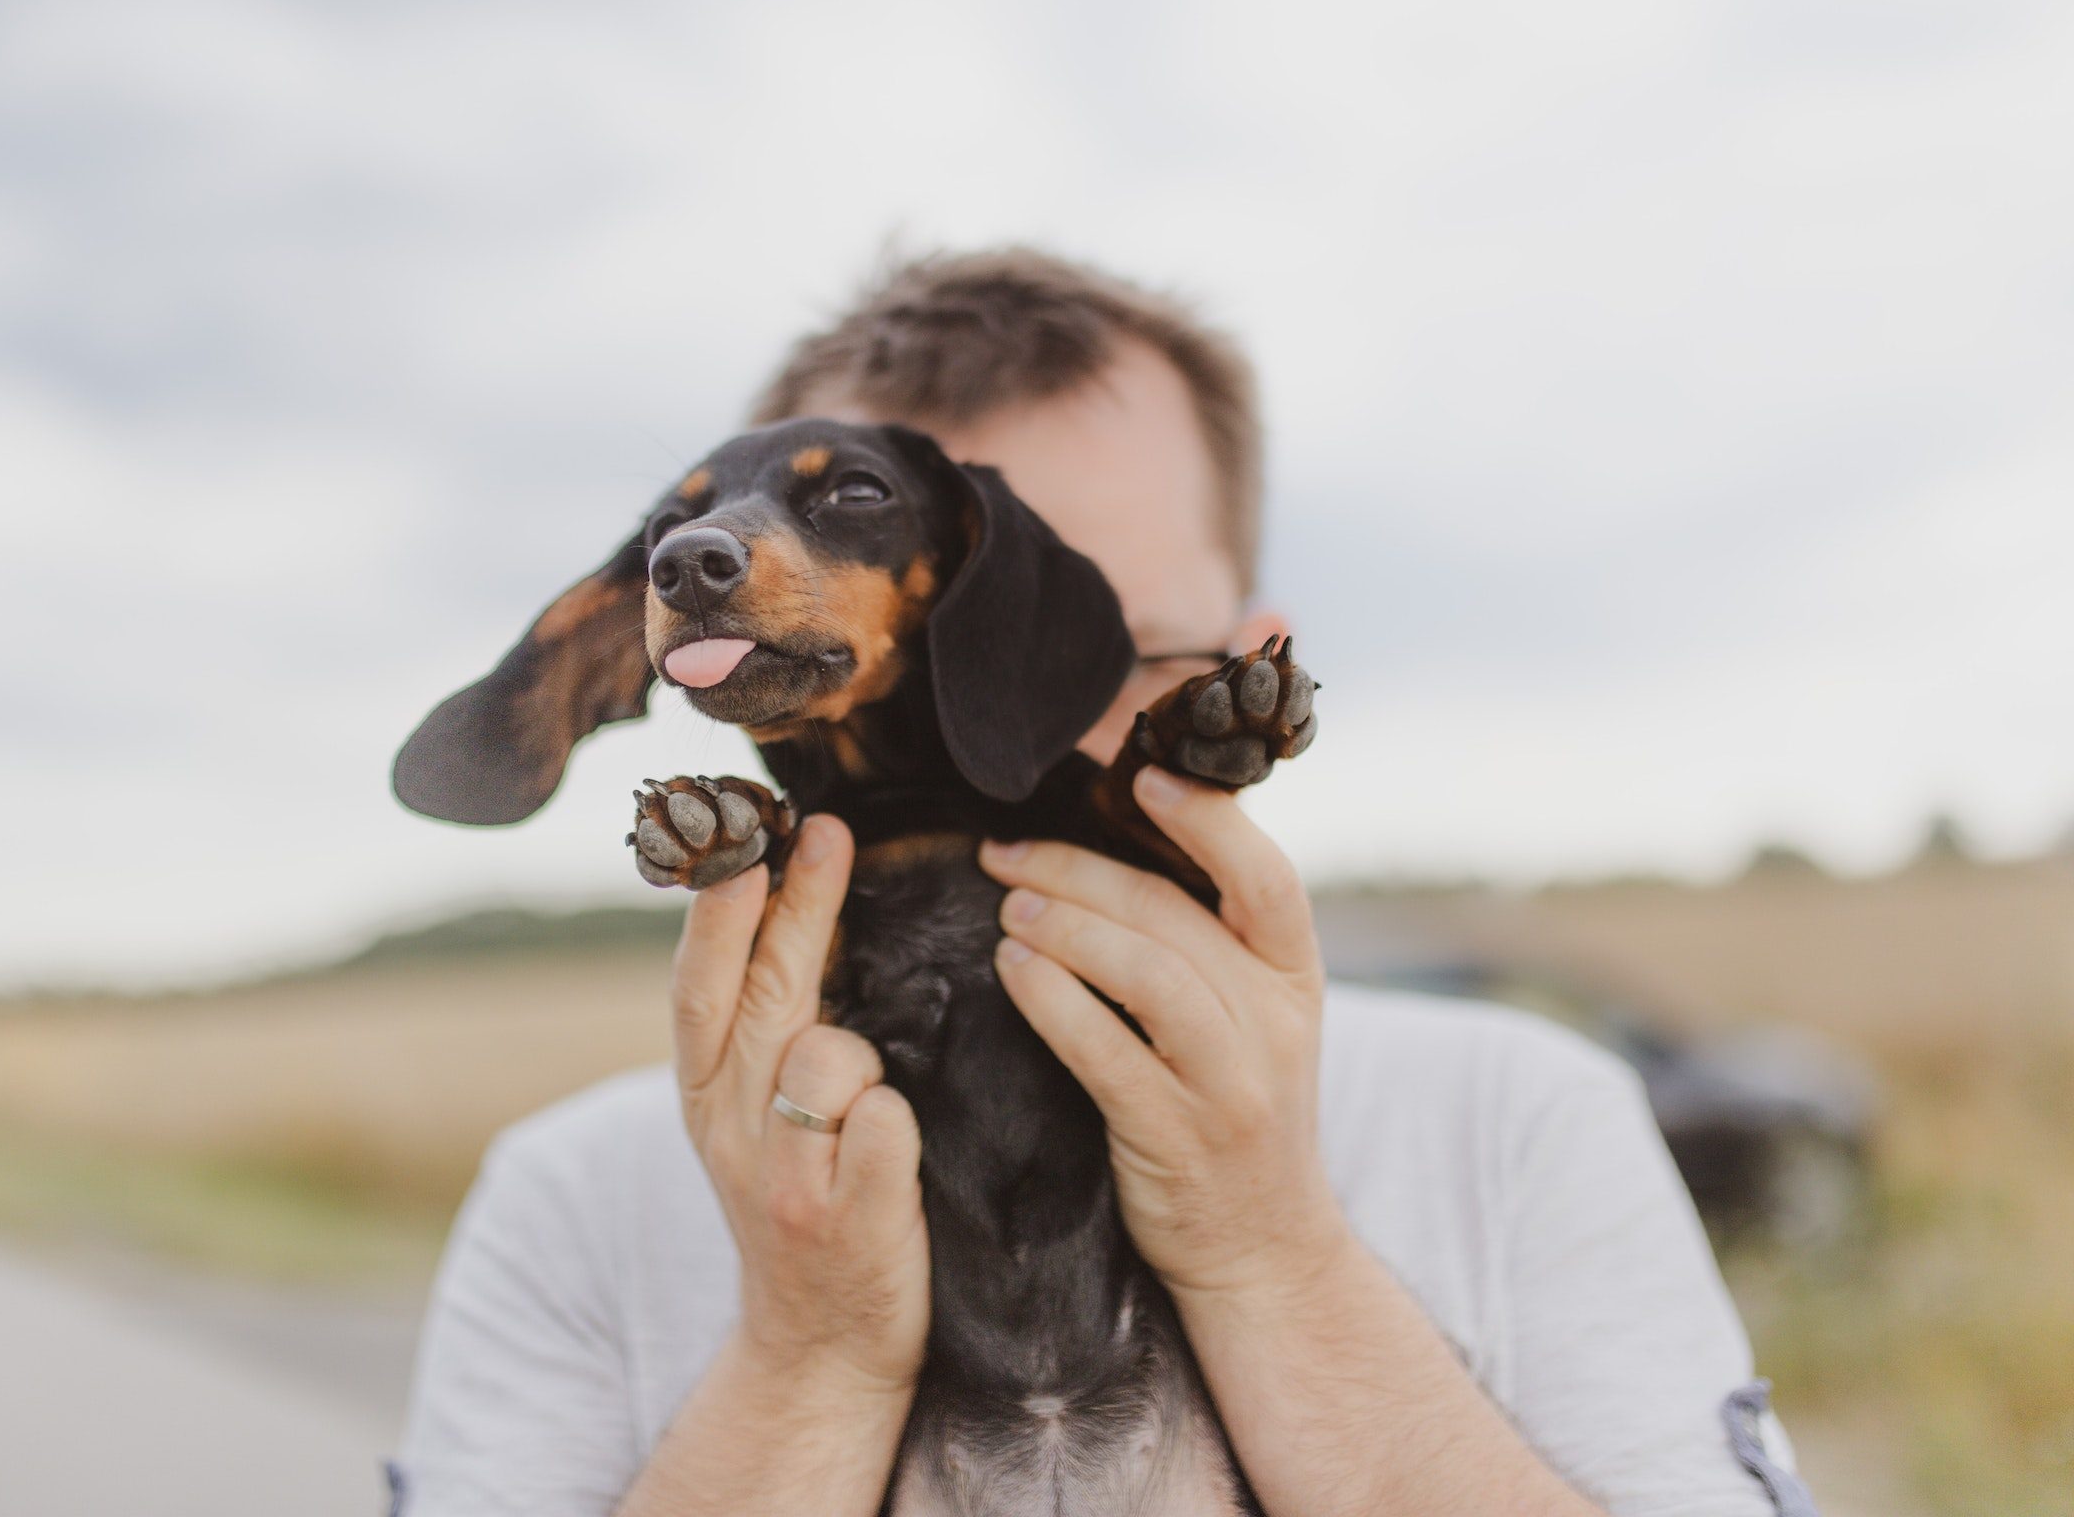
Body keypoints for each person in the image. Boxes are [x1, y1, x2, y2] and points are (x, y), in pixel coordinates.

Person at [390, 248, 1816, 1516]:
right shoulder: (562, 1202)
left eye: (1091, 646)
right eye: (962, 641)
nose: (994, 721)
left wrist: (1274, 1259)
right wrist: (803, 1355)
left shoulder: (1526, 1123)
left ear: (1252, 670)